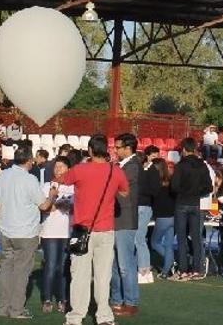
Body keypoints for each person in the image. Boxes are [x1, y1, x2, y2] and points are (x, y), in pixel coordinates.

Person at [59, 134, 129, 325]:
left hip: (82, 230)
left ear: (89, 150)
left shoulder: (80, 169)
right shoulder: (115, 171)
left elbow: (62, 179)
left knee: (79, 276)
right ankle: (104, 316)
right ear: (106, 150)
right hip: (106, 229)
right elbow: (124, 192)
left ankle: (75, 317)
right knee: (102, 276)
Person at [0, 145, 54, 319]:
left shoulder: (3, 175)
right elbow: (44, 205)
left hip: (6, 229)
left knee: (6, 268)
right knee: (22, 272)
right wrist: (52, 195)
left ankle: (3, 307)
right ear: (29, 161)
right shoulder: (29, 179)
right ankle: (16, 309)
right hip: (26, 232)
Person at [109, 133, 143, 315]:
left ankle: (131, 302)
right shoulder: (123, 165)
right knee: (115, 264)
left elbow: (115, 185)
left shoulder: (132, 166)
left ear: (127, 148)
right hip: (117, 219)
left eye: (118, 147)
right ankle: (117, 299)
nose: (115, 150)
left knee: (125, 264)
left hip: (125, 220)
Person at [171, 137, 212, 280]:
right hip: (196, 203)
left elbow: (174, 186)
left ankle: (183, 270)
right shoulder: (202, 165)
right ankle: (197, 269)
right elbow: (209, 187)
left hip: (182, 203)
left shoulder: (180, 165)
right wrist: (196, 192)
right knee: (196, 237)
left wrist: (184, 191)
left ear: (183, 150)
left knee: (181, 238)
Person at [40, 157, 74, 313]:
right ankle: (47, 299)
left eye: (62, 166)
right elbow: (45, 208)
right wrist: (54, 199)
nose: (58, 169)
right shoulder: (47, 185)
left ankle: (63, 298)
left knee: (64, 267)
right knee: (51, 265)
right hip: (50, 231)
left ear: (68, 169)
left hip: (67, 231)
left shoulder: (74, 187)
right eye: (56, 166)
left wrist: (66, 205)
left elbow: (75, 207)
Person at [149, 156, 177, 278]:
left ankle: (171, 261)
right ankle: (166, 271)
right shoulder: (171, 181)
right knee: (169, 244)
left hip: (163, 217)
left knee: (155, 242)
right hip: (173, 215)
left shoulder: (156, 184)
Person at [135, 145, 159, 284]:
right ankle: (143, 268)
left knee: (139, 238)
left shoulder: (149, 172)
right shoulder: (150, 171)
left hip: (143, 206)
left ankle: (144, 270)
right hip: (142, 206)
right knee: (138, 238)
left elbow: (154, 190)